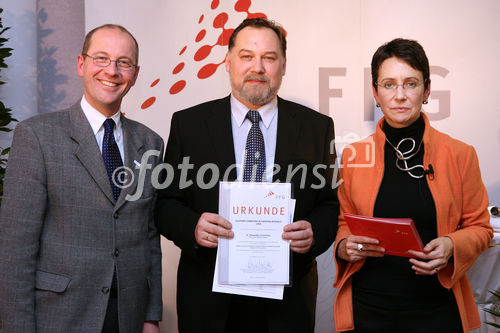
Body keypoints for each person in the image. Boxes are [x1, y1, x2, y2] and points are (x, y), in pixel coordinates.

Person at [155, 17, 339, 333]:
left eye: (269, 57)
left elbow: (329, 204)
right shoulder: (189, 125)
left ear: (283, 65)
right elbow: (165, 204)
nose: (258, 67)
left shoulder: (316, 128)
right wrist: (194, 227)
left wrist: (314, 233)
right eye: (246, 56)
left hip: (288, 301)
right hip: (208, 301)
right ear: (227, 62)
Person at [0, 24, 163, 333]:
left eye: (123, 62)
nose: (111, 71)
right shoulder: (37, 136)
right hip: (60, 315)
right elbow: (15, 250)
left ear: (135, 73)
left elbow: (148, 236)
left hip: (127, 316)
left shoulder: (151, 142)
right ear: (81, 64)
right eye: (101, 58)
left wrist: (150, 316)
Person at [333, 38, 493, 332]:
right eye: (389, 84)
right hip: (368, 307)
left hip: (436, 306)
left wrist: (451, 245)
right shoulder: (354, 155)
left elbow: (481, 228)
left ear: (427, 90)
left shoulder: (460, 154)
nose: (400, 96)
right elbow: (344, 221)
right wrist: (345, 246)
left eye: (410, 83)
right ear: (375, 93)